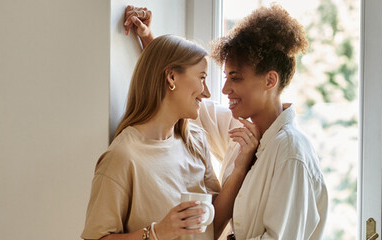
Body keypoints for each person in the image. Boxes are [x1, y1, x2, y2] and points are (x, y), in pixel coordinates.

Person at [125, 4, 329, 239]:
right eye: (226, 76)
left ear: (270, 81)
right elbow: (186, 100)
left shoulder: (290, 152)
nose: (224, 88)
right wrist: (150, 42)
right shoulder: (242, 131)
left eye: (236, 78)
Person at [81, 33, 261, 240]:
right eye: (202, 78)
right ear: (171, 77)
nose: (207, 92)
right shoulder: (122, 156)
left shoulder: (195, 141)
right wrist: (157, 233)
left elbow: (211, 227)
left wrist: (239, 169)